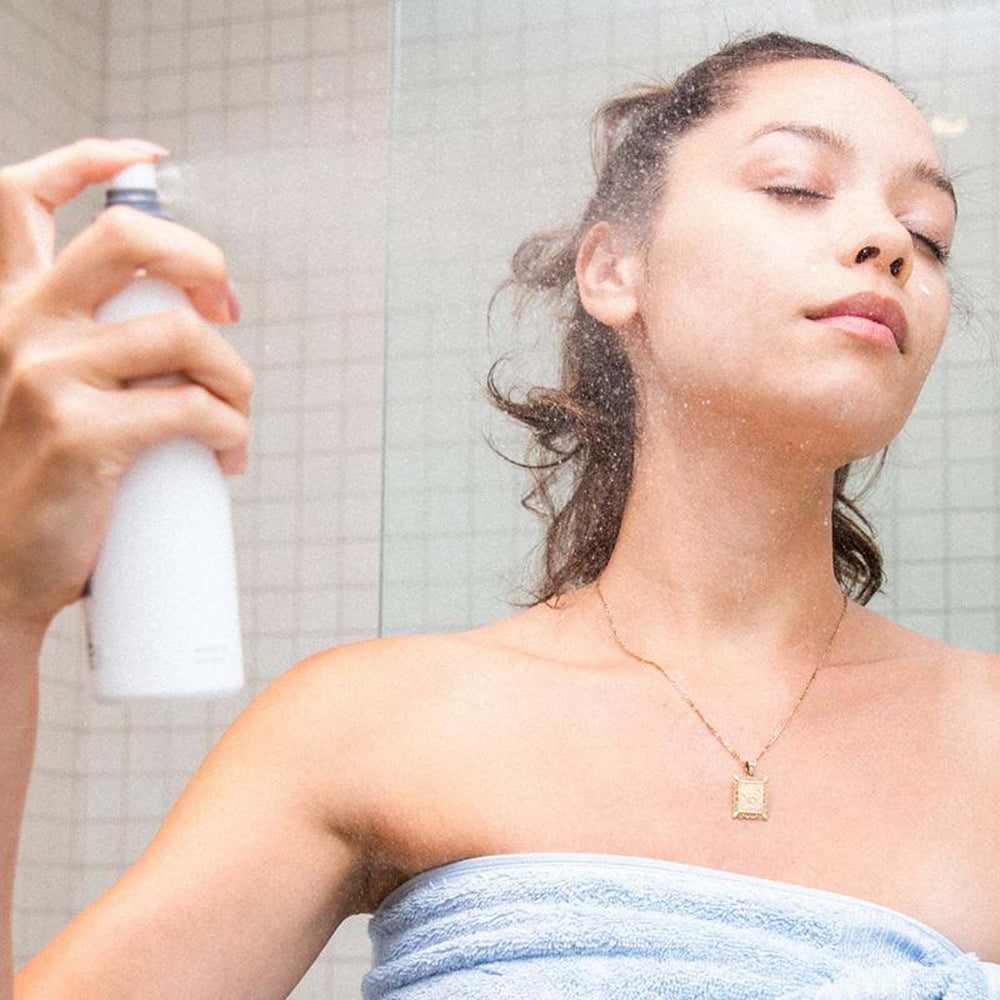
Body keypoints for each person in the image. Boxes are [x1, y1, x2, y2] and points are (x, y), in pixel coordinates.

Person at [2, 28, 997, 999]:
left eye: (927, 234)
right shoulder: (371, 723)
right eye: (793, 185)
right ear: (613, 270)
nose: (887, 245)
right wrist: (8, 601)